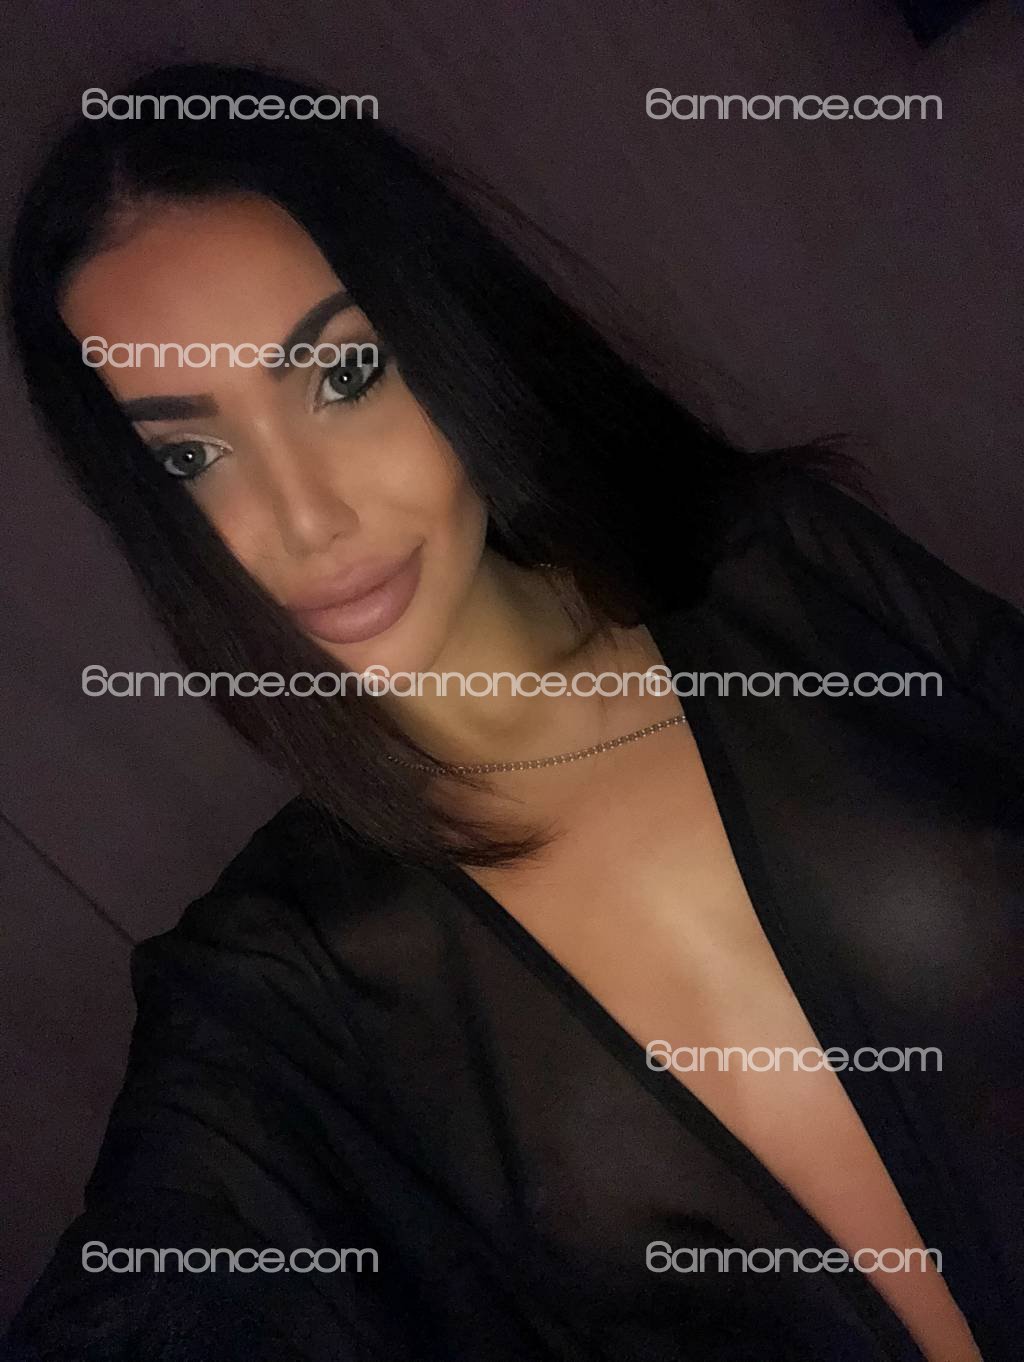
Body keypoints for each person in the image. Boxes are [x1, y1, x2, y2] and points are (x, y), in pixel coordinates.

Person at [3, 61, 1021, 1362]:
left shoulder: (784, 574)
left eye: (343, 375)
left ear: (444, 336)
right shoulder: (279, 978)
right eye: (193, 455)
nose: (306, 519)